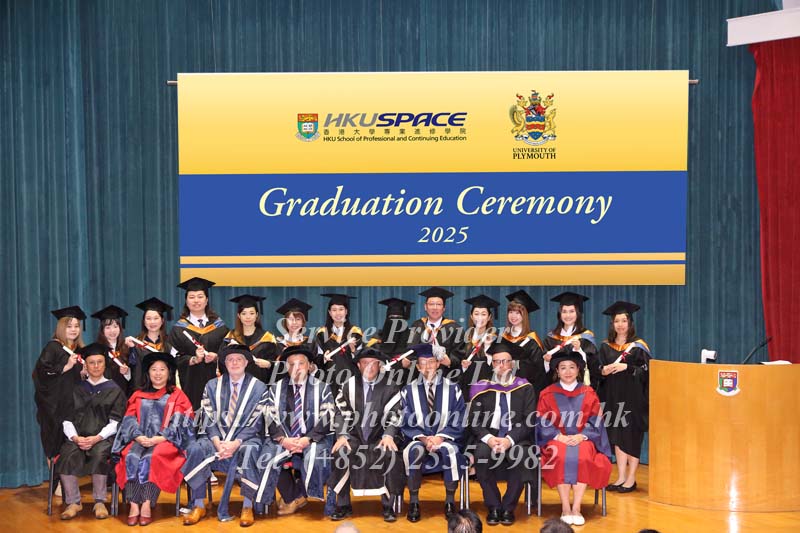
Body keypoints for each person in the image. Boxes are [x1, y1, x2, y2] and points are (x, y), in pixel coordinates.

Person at [181, 345, 268, 526]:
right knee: (196, 448)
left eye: (239, 359)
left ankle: (247, 505)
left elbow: (257, 422)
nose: (234, 363)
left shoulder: (259, 387)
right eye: (230, 360)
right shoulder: (212, 385)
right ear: (224, 363)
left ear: (246, 362)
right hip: (216, 439)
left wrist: (235, 442)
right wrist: (217, 442)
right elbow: (207, 417)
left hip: (245, 439)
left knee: (250, 450)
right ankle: (198, 504)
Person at [252, 346, 336, 517]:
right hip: (285, 438)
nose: (296, 368)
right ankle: (294, 497)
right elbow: (269, 416)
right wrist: (283, 440)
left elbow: (327, 417)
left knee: (315, 458)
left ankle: (302, 494)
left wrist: (307, 439)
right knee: (267, 457)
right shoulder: (276, 388)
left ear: (310, 366)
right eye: (291, 364)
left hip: (314, 438)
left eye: (301, 363)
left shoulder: (322, 387)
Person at [113, 351, 194, 526]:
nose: (158, 373)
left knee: (152, 457)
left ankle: (147, 504)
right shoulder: (138, 394)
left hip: (167, 441)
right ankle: (134, 505)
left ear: (169, 372)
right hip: (139, 439)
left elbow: (181, 421)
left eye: (162, 369)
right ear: (148, 373)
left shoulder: (177, 395)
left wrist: (161, 438)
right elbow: (129, 418)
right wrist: (138, 436)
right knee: (131, 456)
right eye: (154, 369)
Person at [329, 347, 405, 522]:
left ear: (379, 365)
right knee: (341, 452)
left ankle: (388, 506)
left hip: (379, 436)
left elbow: (395, 413)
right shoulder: (348, 385)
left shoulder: (390, 386)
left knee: (390, 453)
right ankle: (343, 505)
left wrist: (388, 435)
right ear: (358, 365)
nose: (369, 367)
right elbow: (339, 412)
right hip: (354, 436)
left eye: (373, 363)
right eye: (365, 363)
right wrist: (342, 435)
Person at [537, 351, 612, 526]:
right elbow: (542, 421)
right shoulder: (547, 393)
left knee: (583, 456)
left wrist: (582, 435)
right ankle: (565, 508)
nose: (568, 371)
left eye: (572, 367)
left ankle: (576, 508)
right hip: (557, 439)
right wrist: (558, 436)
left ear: (578, 370)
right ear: (557, 371)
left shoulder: (589, 392)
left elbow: (596, 420)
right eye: (563, 368)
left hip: (584, 439)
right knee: (560, 456)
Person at [468, 342, 537, 526]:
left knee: (521, 456)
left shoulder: (525, 387)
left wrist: (509, 440)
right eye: (497, 361)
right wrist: (490, 439)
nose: (501, 365)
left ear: (512, 364)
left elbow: (529, 420)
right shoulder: (482, 388)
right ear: (492, 364)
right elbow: (474, 421)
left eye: (505, 361)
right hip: (488, 436)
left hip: (517, 437)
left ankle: (508, 507)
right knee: (481, 455)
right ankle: (493, 506)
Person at [56, 343, 126, 520]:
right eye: (91, 362)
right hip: (78, 437)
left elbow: (116, 422)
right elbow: (67, 419)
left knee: (99, 454)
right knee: (67, 454)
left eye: (99, 362)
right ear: (85, 365)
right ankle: (73, 502)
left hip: (102, 438)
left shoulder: (114, 390)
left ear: (105, 364)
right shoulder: (76, 389)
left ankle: (99, 502)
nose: (96, 366)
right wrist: (75, 438)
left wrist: (97, 438)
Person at [400, 344, 467, 522]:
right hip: (418, 438)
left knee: (450, 450)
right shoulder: (408, 390)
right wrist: (424, 439)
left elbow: (459, 417)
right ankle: (414, 501)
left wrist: (440, 437)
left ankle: (450, 501)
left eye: (431, 362)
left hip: (446, 438)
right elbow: (405, 420)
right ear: (417, 366)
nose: (427, 366)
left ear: (438, 364)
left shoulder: (453, 388)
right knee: (414, 451)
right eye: (423, 363)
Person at [597, 301, 652, 494]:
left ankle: (631, 478)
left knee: (631, 437)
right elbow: (597, 370)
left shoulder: (639, 347)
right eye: (616, 321)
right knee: (617, 437)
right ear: (612, 324)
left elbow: (648, 372)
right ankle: (621, 476)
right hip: (613, 398)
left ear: (630, 323)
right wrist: (603, 370)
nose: (620, 325)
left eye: (623, 321)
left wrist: (627, 367)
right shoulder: (605, 346)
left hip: (633, 399)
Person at [33, 305, 86, 458]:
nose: (73, 330)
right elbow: (41, 372)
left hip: (74, 405)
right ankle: (53, 474)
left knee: (71, 446)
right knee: (54, 445)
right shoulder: (53, 347)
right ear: (61, 327)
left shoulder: (80, 350)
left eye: (76, 326)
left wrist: (83, 374)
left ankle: (67, 475)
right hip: (54, 406)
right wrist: (66, 366)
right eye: (69, 326)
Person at [168, 277, 229, 410]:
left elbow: (229, 354)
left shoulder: (219, 327)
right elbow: (172, 359)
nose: (196, 300)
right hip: (189, 384)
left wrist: (216, 357)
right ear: (186, 301)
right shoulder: (178, 329)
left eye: (200, 296)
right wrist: (193, 359)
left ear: (206, 300)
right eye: (192, 297)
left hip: (215, 382)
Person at [541, 292, 599, 391]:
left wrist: (580, 350)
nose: (568, 315)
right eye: (564, 311)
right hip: (556, 389)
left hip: (580, 390)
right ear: (560, 314)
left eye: (572, 311)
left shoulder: (585, 337)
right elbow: (544, 371)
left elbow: (593, 367)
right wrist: (546, 361)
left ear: (578, 313)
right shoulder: (551, 338)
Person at [406, 287, 463, 378]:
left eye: (439, 304)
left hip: (446, 376)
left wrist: (450, 361)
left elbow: (459, 354)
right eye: (431, 304)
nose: (435, 308)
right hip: (420, 376)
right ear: (425, 307)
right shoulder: (417, 325)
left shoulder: (454, 328)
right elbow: (411, 350)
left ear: (444, 308)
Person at [222, 294, 278, 384]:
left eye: (251, 313)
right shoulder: (230, 337)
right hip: (235, 385)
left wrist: (269, 364)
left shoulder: (268, 338)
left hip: (260, 385)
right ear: (239, 315)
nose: (248, 317)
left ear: (257, 315)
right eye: (244, 313)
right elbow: (222, 363)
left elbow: (277, 363)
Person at [314, 293, 362, 394]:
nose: (338, 313)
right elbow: (317, 358)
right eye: (334, 310)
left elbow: (362, 359)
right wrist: (324, 358)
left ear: (346, 311)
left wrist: (353, 351)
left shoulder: (355, 333)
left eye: (341, 309)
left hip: (350, 379)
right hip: (329, 379)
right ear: (329, 312)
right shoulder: (322, 333)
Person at [501, 290, 545, 396]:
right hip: (504, 388)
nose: (513, 316)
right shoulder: (503, 337)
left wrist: (517, 364)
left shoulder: (532, 340)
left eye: (518, 313)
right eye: (511, 312)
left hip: (524, 391)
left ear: (524, 315)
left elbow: (538, 371)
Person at [124, 297, 173, 389]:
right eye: (148, 318)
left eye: (156, 318)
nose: (152, 322)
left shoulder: (170, 343)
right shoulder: (136, 343)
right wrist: (132, 349)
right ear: (144, 321)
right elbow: (134, 372)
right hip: (144, 390)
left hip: (166, 390)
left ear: (162, 321)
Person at [459, 295, 500, 399]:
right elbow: (456, 371)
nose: (480, 318)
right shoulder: (463, 340)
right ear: (471, 316)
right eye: (476, 314)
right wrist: (463, 367)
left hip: (489, 392)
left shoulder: (496, 340)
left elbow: (498, 369)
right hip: (467, 392)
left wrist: (488, 349)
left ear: (489, 317)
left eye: (483, 314)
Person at [367, 297, 414, 383]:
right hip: (380, 386)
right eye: (392, 318)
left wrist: (410, 365)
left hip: (405, 384)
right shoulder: (377, 339)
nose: (395, 322)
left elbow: (420, 367)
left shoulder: (412, 340)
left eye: (399, 318)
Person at [92, 305, 134, 396]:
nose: (112, 331)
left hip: (123, 395)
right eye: (108, 327)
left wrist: (127, 373)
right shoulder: (96, 350)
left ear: (120, 328)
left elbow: (134, 377)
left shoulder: (126, 348)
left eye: (115, 326)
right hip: (103, 397)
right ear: (102, 330)